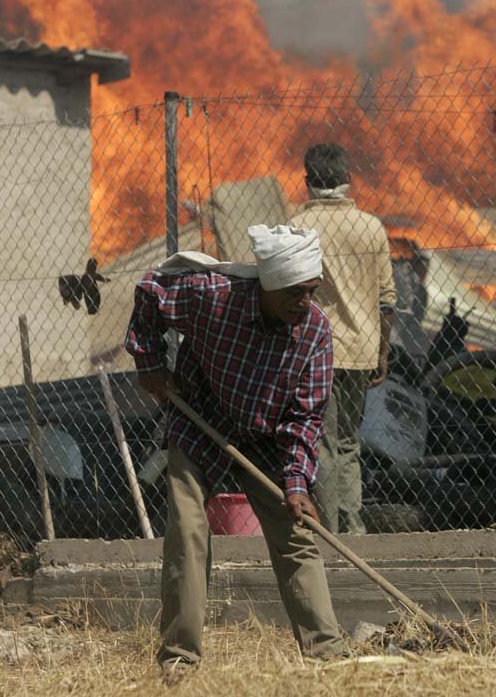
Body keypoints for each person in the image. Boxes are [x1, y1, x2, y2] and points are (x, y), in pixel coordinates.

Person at [125, 224, 346, 683]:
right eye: (294, 292)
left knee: (296, 531)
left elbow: (306, 419)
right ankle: (180, 658)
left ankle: (328, 654)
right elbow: (149, 290)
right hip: (200, 413)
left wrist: (297, 484)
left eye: (312, 291)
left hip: (267, 435)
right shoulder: (212, 295)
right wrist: (150, 365)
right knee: (187, 529)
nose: (304, 302)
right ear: (268, 283)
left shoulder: (315, 333)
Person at [290, 144, 396, 534]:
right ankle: (353, 528)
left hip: (315, 352)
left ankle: (328, 530)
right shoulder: (371, 227)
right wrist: (382, 353)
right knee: (348, 442)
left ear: (308, 180)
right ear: (347, 179)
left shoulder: (298, 227)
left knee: (322, 442)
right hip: (362, 349)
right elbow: (387, 300)